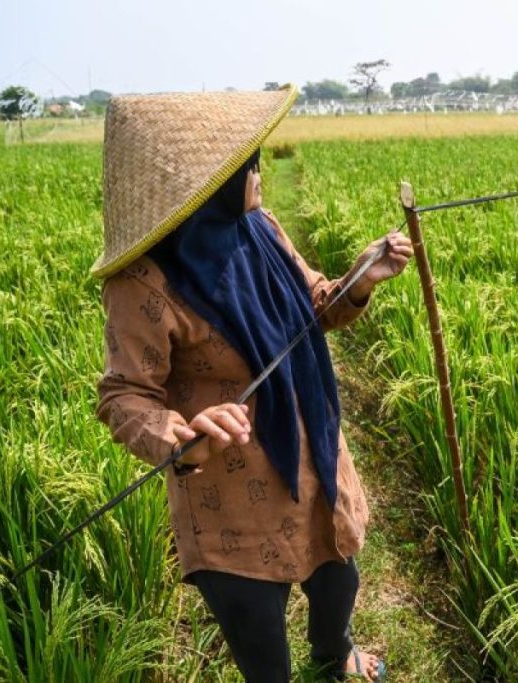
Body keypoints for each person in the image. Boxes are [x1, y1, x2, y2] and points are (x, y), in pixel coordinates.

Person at [92, 86, 412, 682]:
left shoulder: (259, 227)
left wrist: (359, 279)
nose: (260, 169)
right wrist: (182, 435)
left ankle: (334, 650)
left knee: (338, 571)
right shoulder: (143, 283)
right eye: (247, 163)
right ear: (206, 186)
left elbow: (316, 305)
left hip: (311, 444)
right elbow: (123, 394)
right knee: (258, 629)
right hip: (231, 485)